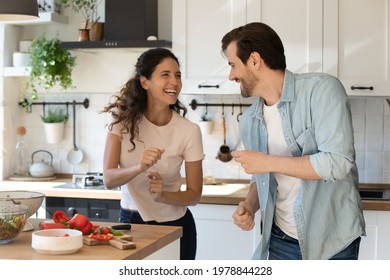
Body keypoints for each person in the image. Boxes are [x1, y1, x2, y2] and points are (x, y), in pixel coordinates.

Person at [221, 22, 366, 260]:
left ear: (254, 60)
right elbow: (262, 177)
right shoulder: (249, 120)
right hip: (280, 240)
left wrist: (267, 162)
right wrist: (249, 205)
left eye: (233, 65)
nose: (231, 75)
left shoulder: (321, 90)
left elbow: (338, 162)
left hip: (332, 240)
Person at [102, 48, 204, 260]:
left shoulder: (189, 130)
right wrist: (139, 167)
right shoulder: (121, 123)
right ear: (145, 82)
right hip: (131, 224)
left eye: (177, 75)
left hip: (176, 227)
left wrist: (163, 195)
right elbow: (109, 179)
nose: (174, 82)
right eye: (165, 75)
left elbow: (194, 194)